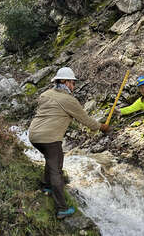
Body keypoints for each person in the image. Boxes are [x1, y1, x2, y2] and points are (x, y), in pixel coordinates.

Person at [28, 67, 111, 219]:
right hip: (50, 138)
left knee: (51, 159)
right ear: (65, 82)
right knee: (56, 170)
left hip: (33, 136)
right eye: (72, 83)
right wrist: (102, 127)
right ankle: (62, 208)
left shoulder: (45, 94)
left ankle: (46, 186)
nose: (74, 86)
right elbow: (87, 121)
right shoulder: (69, 100)